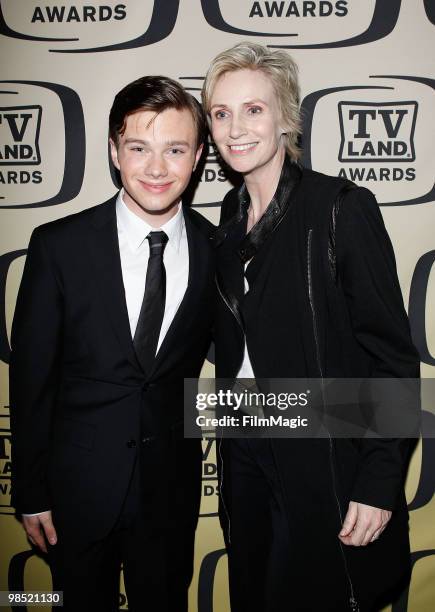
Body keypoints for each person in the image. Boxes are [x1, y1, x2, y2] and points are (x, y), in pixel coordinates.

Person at [202, 42, 420, 612]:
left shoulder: (340, 209)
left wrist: (378, 482)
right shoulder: (224, 221)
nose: (236, 128)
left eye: (253, 109)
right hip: (245, 447)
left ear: (286, 117)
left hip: (322, 450)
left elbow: (393, 360)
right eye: (221, 113)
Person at [10, 75, 215, 612]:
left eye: (174, 149)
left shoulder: (218, 248)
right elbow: (32, 378)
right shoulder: (58, 246)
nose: (155, 168)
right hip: (76, 491)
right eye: (138, 148)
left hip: (170, 491)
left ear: (196, 158)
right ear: (113, 151)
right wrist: (29, 491)